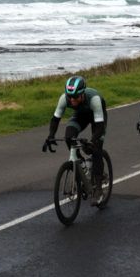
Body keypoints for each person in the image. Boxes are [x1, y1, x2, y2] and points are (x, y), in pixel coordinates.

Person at [44, 76, 107, 206]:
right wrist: (50, 136)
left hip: (98, 118)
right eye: (70, 97)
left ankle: (99, 189)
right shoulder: (64, 98)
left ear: (83, 93)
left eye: (75, 97)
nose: (72, 100)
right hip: (80, 116)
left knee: (96, 148)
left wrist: (92, 141)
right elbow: (55, 119)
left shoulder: (94, 99)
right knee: (69, 137)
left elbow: (100, 127)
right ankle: (81, 164)